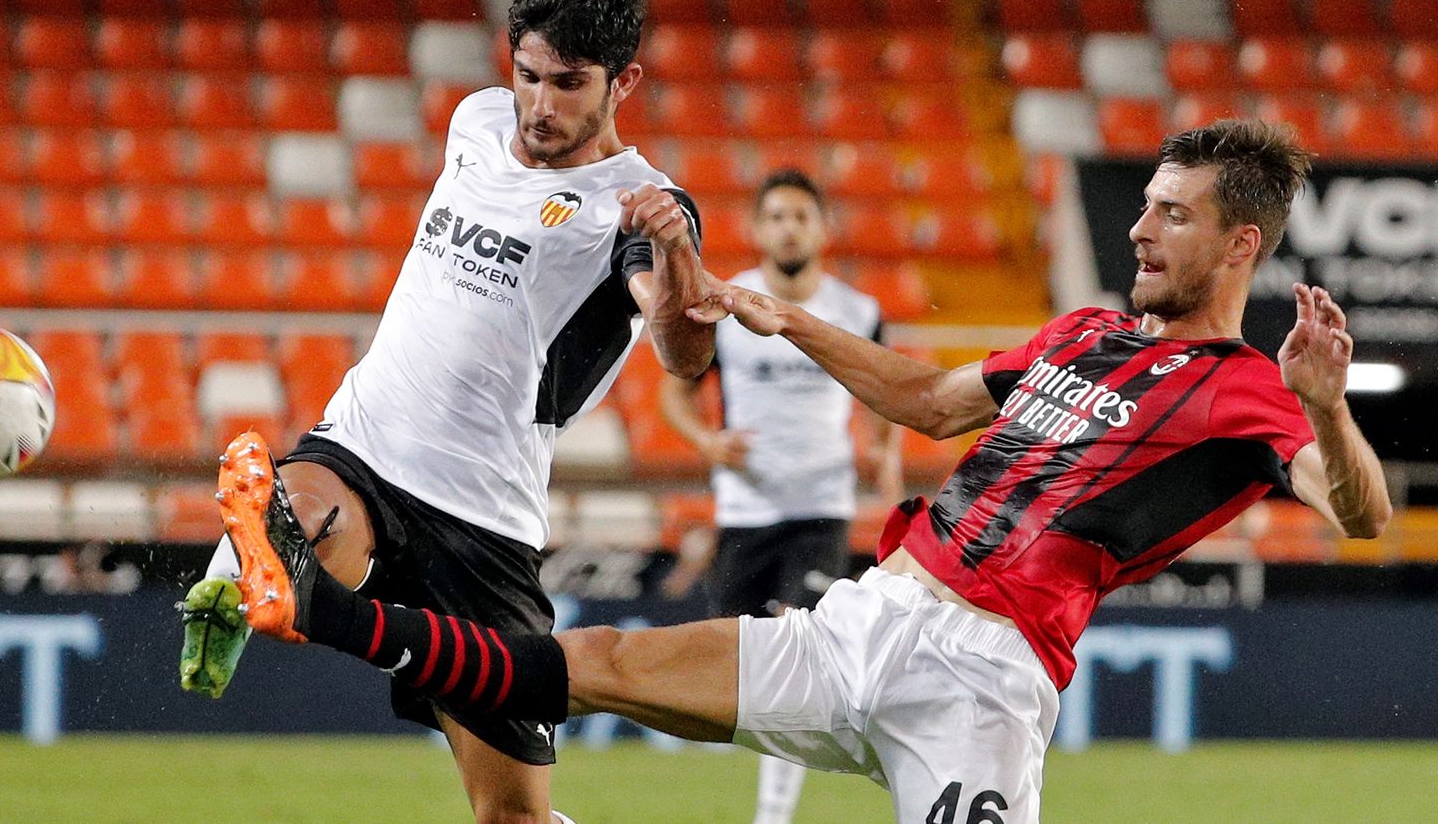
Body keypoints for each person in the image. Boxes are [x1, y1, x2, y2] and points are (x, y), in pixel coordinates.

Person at [216, 118, 1391, 824]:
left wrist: (1329, 412)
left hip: (984, 682)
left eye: (1172, 215)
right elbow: (930, 402)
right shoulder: (1081, 333)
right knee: (594, 664)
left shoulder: (1253, 391)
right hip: (869, 616)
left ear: (1241, 244)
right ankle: (323, 611)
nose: (1140, 229)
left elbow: (1358, 515)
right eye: (1143, 205)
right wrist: (789, 321)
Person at [178, 0, 714, 824]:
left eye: (569, 85)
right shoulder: (475, 121)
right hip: (364, 443)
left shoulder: (640, 206)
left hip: (483, 520)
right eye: (528, 75)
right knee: (294, 507)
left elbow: (683, 353)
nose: (540, 104)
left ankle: (262, 572)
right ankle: (255, 571)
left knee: (512, 815)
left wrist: (679, 258)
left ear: (625, 83)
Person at [658, 170, 900, 824]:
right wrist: (708, 444)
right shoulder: (729, 306)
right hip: (746, 511)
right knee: (744, 669)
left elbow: (885, 388)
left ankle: (773, 816)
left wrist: (881, 450)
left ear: (822, 228)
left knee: (799, 654)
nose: (788, 227)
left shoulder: (856, 311)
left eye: (800, 215)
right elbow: (674, 390)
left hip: (821, 507)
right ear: (759, 229)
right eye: (776, 217)